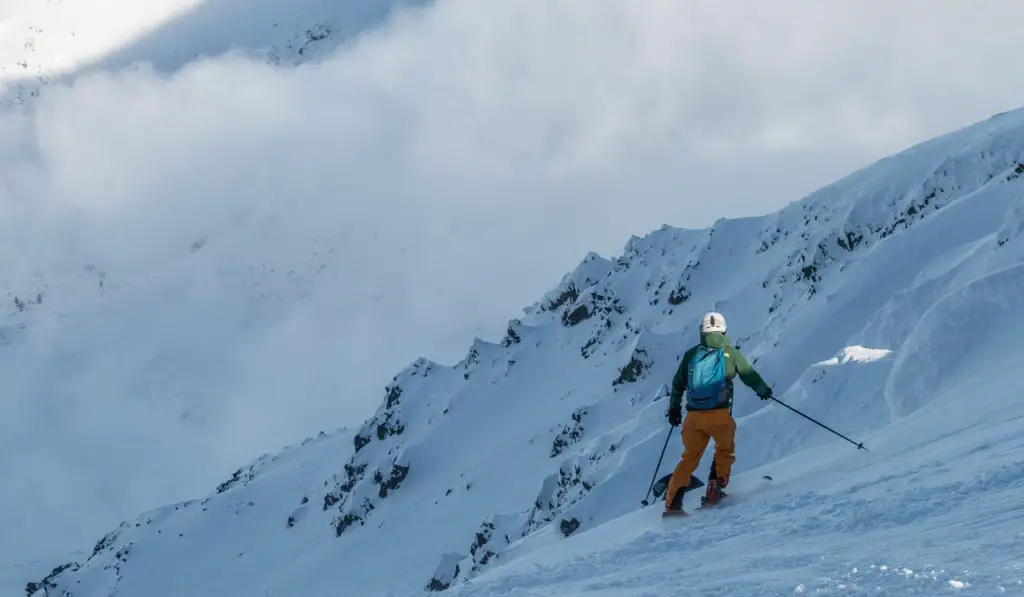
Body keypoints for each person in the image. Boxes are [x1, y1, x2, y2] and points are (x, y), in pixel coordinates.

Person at [662, 311, 773, 516]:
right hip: (719, 416)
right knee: (724, 450)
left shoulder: (691, 355)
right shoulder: (729, 353)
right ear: (723, 330)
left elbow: (678, 384)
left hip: (693, 418)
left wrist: (674, 409)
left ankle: (672, 506)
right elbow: (748, 374)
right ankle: (714, 491)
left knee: (688, 459)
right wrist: (764, 391)